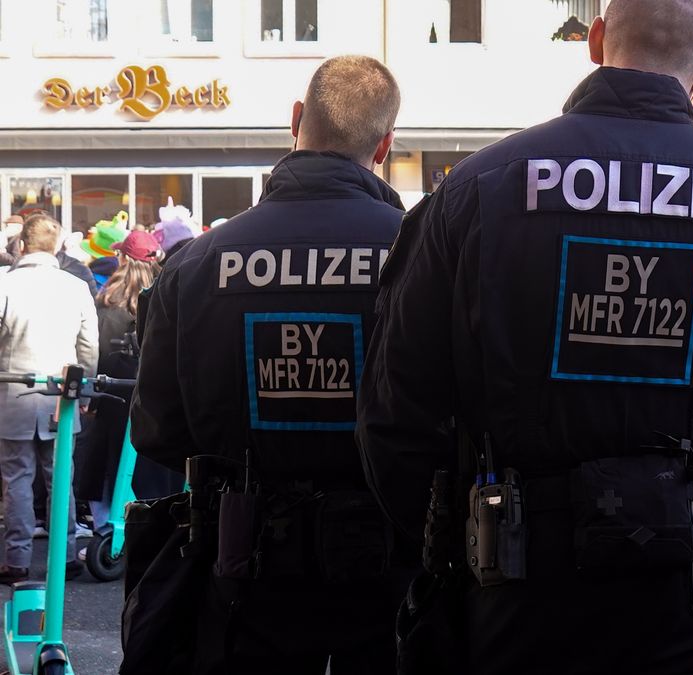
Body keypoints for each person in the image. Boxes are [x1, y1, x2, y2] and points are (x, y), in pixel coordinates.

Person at [356, 2, 693, 673]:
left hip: (512, 588)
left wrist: (458, 537)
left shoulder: (478, 189)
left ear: (594, 42)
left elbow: (395, 413)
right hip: (688, 594)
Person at [130, 55, 411, 674]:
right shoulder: (418, 250)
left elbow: (157, 434)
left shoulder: (197, 263)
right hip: (385, 566)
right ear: (385, 144)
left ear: (296, 120)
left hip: (245, 567)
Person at [0, 213, 97, 583]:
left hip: (13, 393)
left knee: (16, 480)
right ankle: (65, 556)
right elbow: (88, 347)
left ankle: (17, 560)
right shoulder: (76, 286)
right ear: (56, 246)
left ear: (22, 245)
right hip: (62, 395)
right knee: (61, 479)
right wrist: (84, 390)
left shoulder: (4, 284)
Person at [76, 230, 163, 534]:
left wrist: (91, 397)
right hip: (153, 395)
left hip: (111, 393)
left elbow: (94, 349)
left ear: (123, 258)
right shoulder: (167, 294)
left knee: (105, 464)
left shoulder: (108, 300)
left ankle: (109, 531)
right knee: (147, 464)